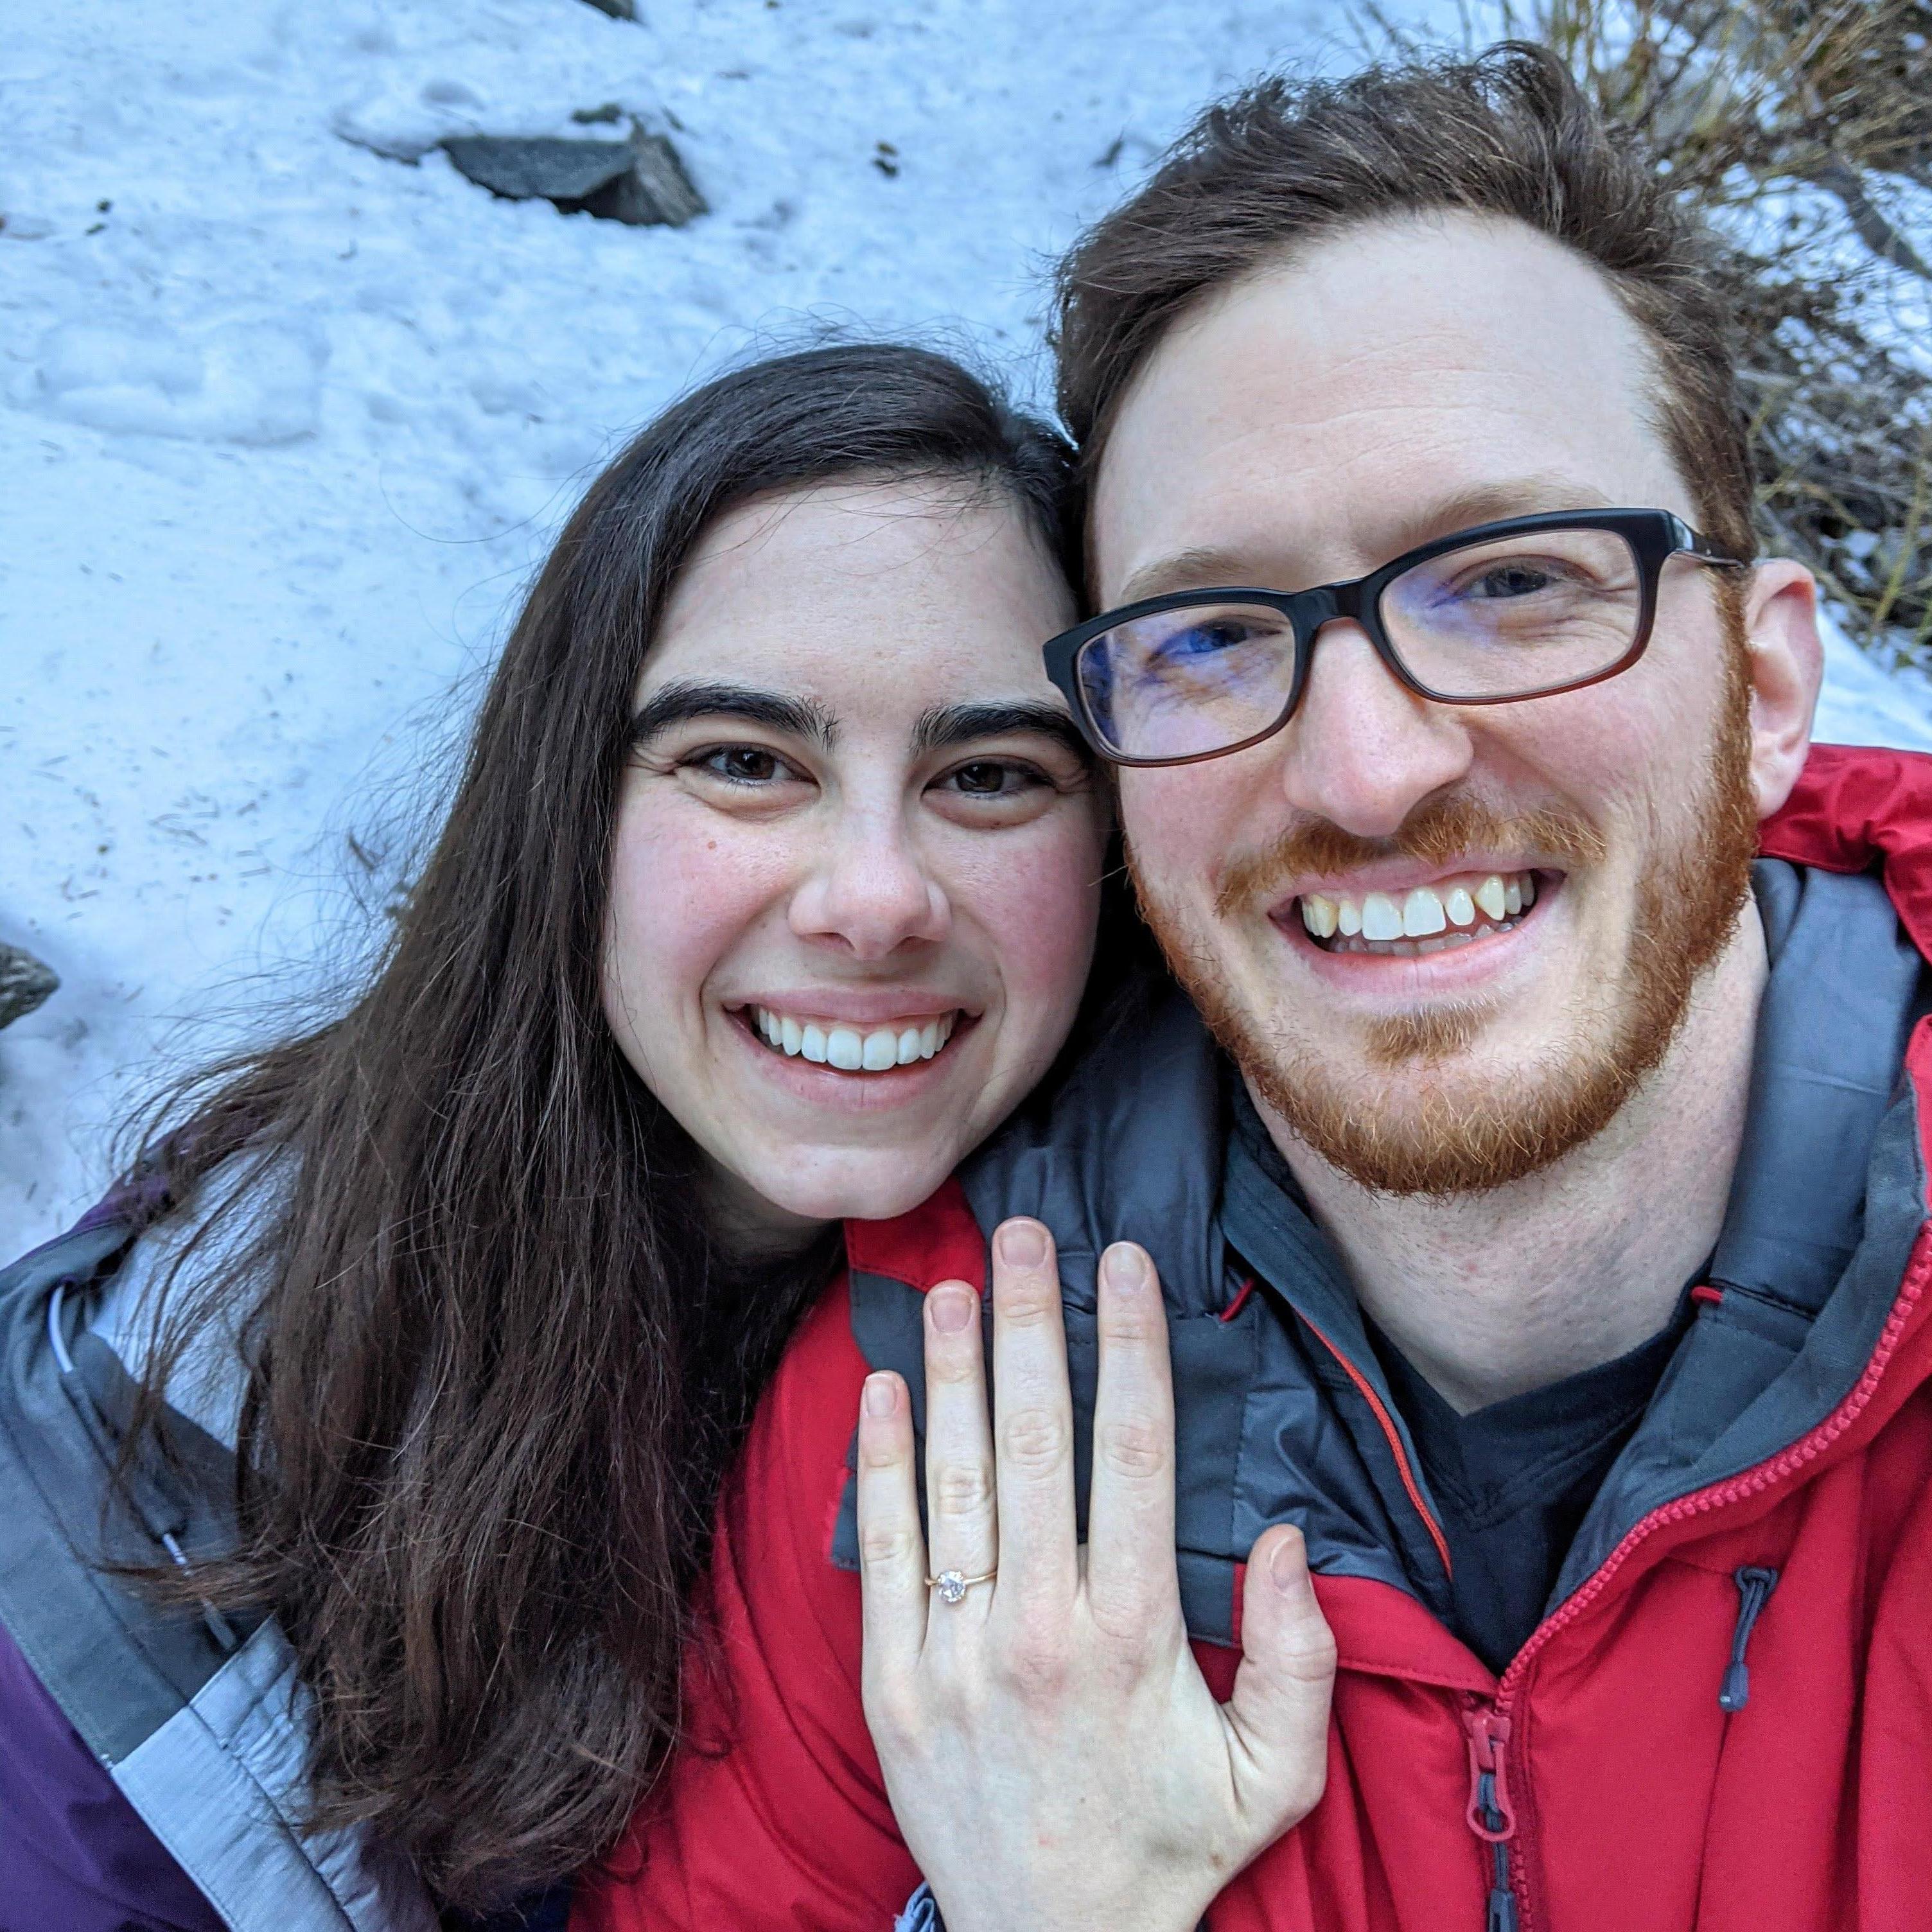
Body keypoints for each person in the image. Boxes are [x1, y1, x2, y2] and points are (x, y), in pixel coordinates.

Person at [579, 44, 1932, 1932]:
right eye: (1215, 637)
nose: (1369, 768)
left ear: (1770, 689)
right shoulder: (949, 1420)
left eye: (1515, 581)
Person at [0, 342, 1154, 1931]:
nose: (875, 894)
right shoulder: (155, 1456)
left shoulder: (1213, 1331)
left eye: (991, 772)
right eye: (745, 762)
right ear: (569, 816)